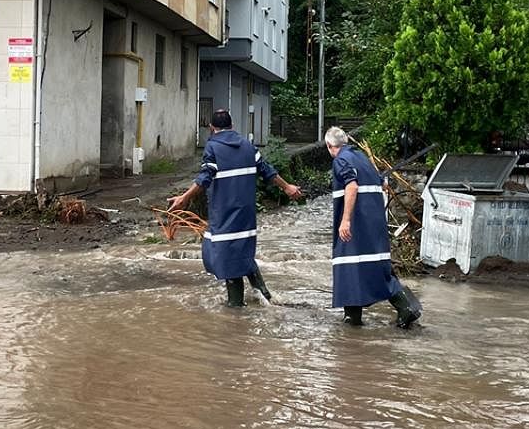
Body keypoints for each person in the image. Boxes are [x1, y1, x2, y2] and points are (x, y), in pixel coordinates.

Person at [168, 109, 303, 307]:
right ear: (232, 126)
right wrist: (288, 187)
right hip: (246, 213)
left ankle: (235, 310)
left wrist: (184, 198)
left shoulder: (213, 147)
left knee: (225, 257)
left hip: (224, 213)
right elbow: (267, 170)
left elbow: (205, 177)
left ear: (212, 129)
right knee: (242, 251)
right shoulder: (248, 146)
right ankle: (264, 295)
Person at [325, 126, 421, 328]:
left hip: (357, 225)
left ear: (328, 145)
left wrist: (346, 220)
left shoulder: (340, 160)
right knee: (376, 267)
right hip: (374, 224)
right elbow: (383, 183)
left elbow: (352, 186)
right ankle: (405, 308)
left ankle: (352, 321)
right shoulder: (361, 157)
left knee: (347, 267)